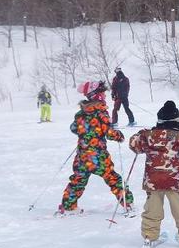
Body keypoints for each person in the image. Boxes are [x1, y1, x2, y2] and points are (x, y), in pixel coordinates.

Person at [129, 101, 179, 248]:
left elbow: (134, 145)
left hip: (153, 181)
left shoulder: (148, 135)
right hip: (175, 181)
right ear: (176, 119)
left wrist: (140, 134)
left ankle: (149, 237)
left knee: (152, 209)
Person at [57, 80, 134, 216]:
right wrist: (118, 135)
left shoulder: (81, 113)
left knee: (78, 180)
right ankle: (128, 204)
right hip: (98, 156)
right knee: (112, 178)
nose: (104, 95)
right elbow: (109, 133)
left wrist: (86, 132)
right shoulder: (101, 112)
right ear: (96, 95)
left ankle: (68, 206)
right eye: (102, 93)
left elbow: (74, 128)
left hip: (82, 156)